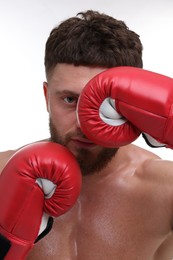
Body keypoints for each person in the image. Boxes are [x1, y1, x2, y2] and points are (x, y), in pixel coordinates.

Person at [1, 10, 173, 260]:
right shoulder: (1, 175)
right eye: (69, 99)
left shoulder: (165, 189)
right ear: (46, 97)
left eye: (107, 106)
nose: (85, 124)